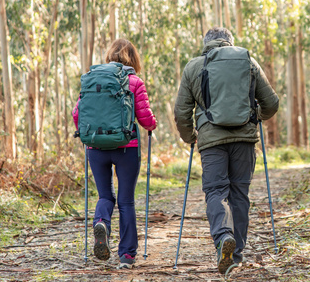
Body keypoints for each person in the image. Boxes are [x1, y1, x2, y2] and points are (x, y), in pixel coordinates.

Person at [174, 27, 279, 274]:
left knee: (216, 191)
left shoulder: (193, 67)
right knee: (239, 194)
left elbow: (181, 112)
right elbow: (271, 103)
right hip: (244, 140)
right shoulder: (248, 62)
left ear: (206, 44)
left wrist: (191, 137)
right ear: (230, 43)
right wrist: (256, 118)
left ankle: (223, 238)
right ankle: (237, 254)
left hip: (211, 143)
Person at [72, 39, 157, 269]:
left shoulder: (93, 79)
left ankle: (101, 223)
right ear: (133, 59)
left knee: (105, 197)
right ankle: (127, 256)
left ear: (110, 55)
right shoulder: (135, 82)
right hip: (126, 147)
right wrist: (152, 125)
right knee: (126, 201)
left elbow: (77, 115)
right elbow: (145, 118)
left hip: (96, 148)